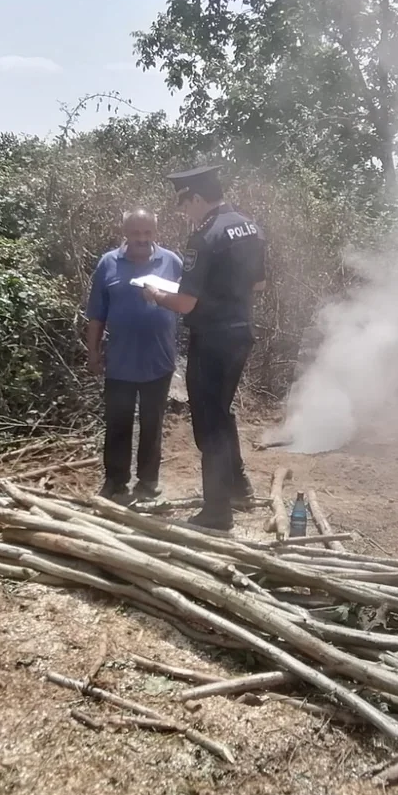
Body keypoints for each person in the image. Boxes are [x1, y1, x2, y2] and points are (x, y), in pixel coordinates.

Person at [140, 166, 266, 530]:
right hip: (241, 333)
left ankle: (216, 512)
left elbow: (185, 305)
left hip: (212, 338)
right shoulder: (251, 227)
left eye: (184, 205)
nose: (184, 213)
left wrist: (155, 294)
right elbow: (258, 285)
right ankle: (239, 487)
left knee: (209, 425)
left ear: (196, 197)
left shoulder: (205, 236)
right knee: (221, 412)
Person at [86, 209, 184, 502]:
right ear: (125, 232)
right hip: (120, 361)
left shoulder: (172, 262)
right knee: (118, 422)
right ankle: (115, 481)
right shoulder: (108, 264)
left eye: (148, 233)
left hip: (160, 360)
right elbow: (95, 316)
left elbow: (189, 301)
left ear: (155, 232)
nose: (142, 239)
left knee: (153, 424)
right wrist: (93, 353)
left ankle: (148, 482)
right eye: (136, 233)